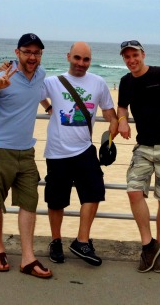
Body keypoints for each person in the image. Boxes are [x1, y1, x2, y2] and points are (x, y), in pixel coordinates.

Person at [0, 33, 52, 278]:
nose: (32, 57)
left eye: (37, 52)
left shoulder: (40, 74)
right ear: (17, 53)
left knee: (29, 202)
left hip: (26, 151)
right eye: (27, 52)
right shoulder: (2, 77)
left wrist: (47, 106)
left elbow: (37, 92)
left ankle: (28, 258)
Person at [116, 40, 160, 273]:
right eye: (126, 57)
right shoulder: (126, 82)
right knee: (134, 190)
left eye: (134, 55)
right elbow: (122, 107)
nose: (131, 60)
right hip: (143, 147)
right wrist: (122, 121)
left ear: (143, 54)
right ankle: (149, 246)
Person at [43, 42, 119, 267]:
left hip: (85, 149)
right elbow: (32, 90)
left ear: (90, 61)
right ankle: (56, 241)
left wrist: (114, 126)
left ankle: (82, 241)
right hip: (57, 152)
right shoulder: (52, 82)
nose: (81, 63)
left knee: (94, 192)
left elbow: (108, 111)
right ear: (68, 57)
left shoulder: (98, 82)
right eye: (77, 58)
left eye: (85, 60)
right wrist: (47, 107)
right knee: (56, 201)